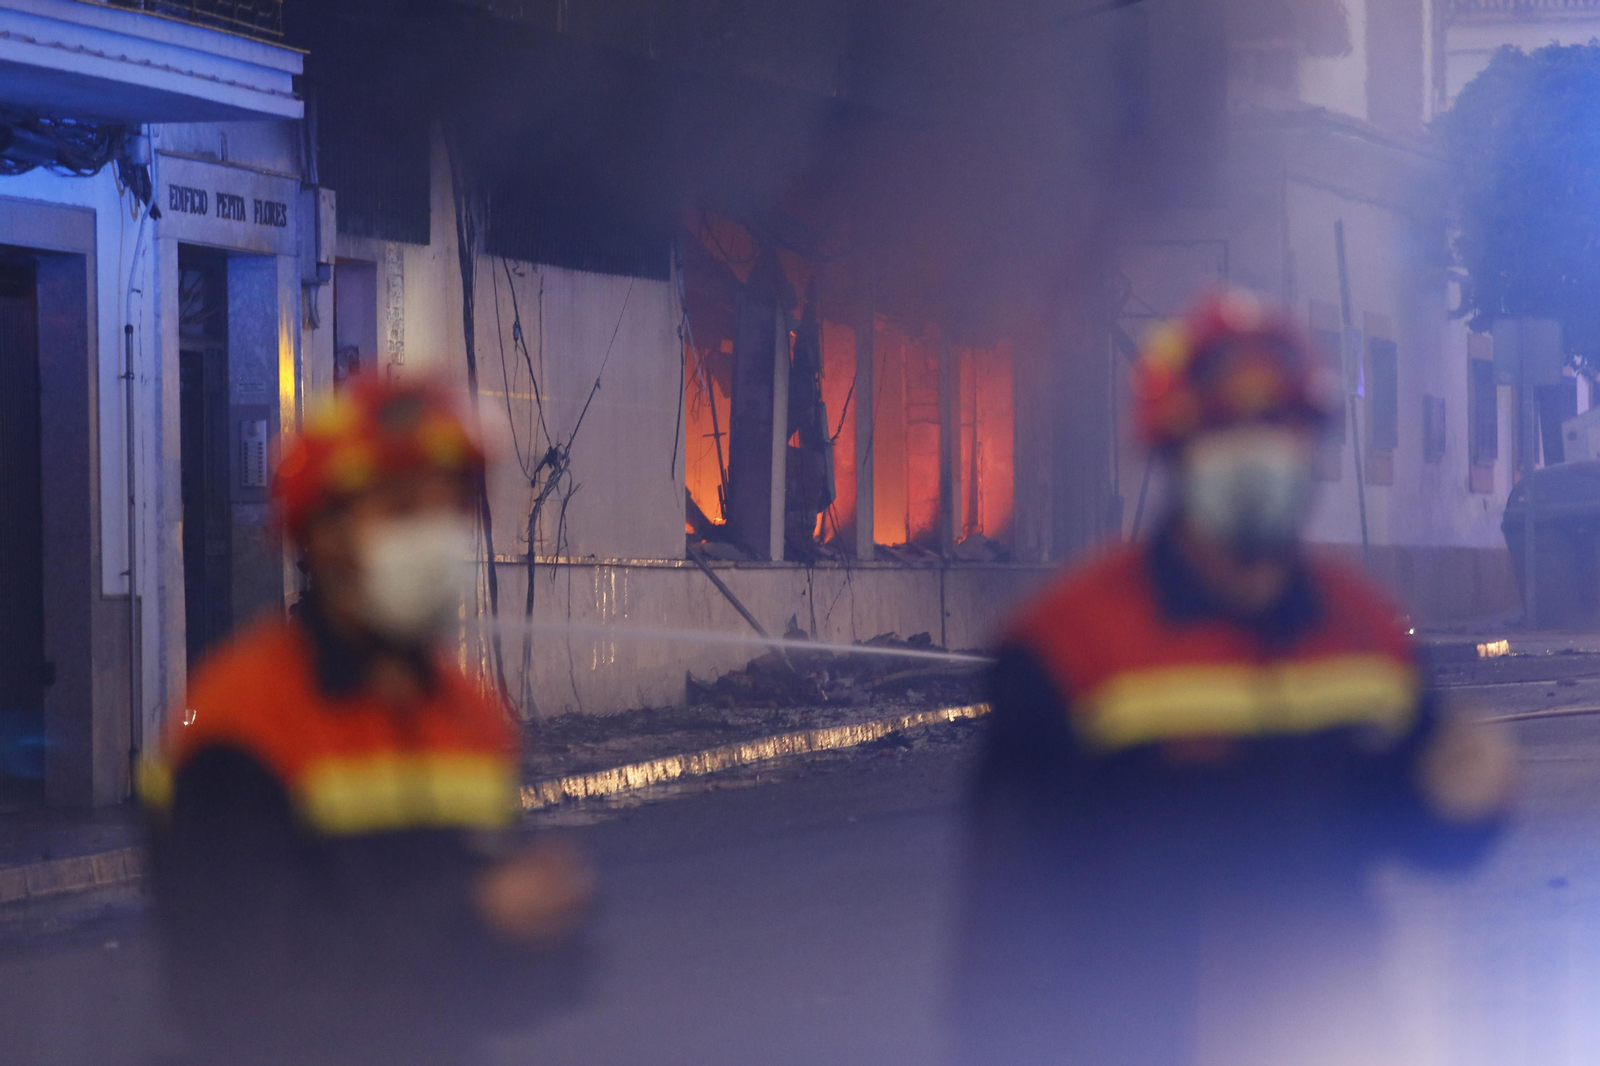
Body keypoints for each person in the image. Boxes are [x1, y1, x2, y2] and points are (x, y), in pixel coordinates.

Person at [953, 290, 1515, 1066]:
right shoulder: (1071, 646)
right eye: (1223, 429)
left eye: (1279, 427)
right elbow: (1005, 933)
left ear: (1312, 444)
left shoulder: (1364, 630)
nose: (1257, 454)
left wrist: (1470, 802)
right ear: (1173, 448)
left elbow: (1421, 834)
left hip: (1338, 1037)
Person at [141, 375, 592, 1066]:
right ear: (320, 533)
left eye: (454, 510)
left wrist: (549, 931)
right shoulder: (243, 718)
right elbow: (238, 989)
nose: (439, 537)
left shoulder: (469, 713)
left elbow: (511, 981)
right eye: (405, 509)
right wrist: (478, 919)